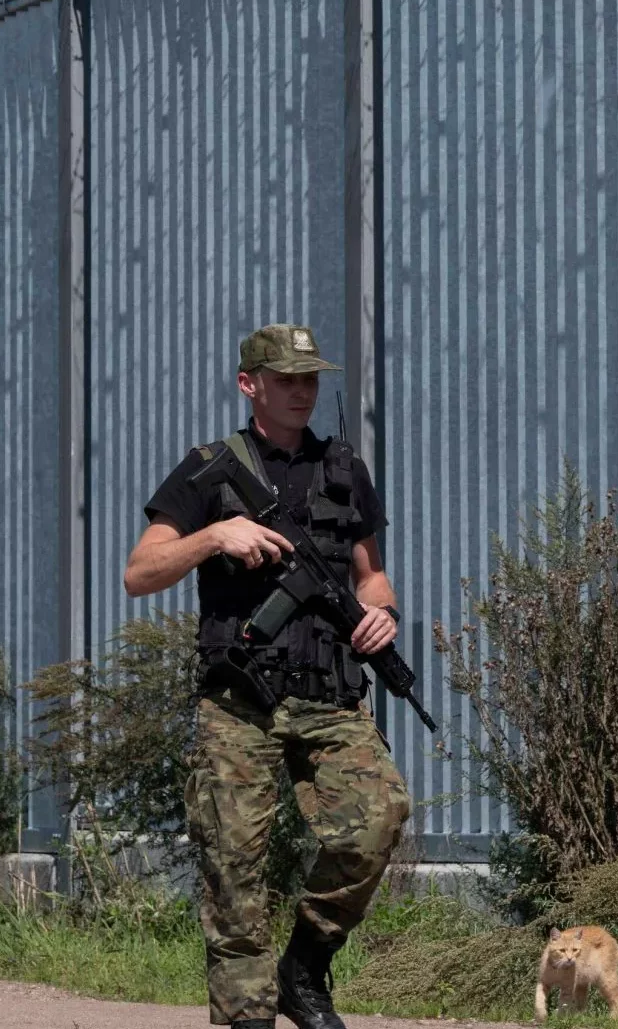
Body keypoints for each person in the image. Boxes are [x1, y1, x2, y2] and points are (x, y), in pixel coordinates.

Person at [123, 323, 411, 1029]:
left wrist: (383, 617)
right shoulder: (210, 467)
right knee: (234, 860)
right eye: (287, 378)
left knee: (378, 817)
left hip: (329, 691)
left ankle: (304, 969)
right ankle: (249, 1013)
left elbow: (372, 579)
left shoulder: (345, 468)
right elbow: (140, 571)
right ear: (250, 384)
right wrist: (214, 536)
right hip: (240, 697)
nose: (303, 390)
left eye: (310, 378)